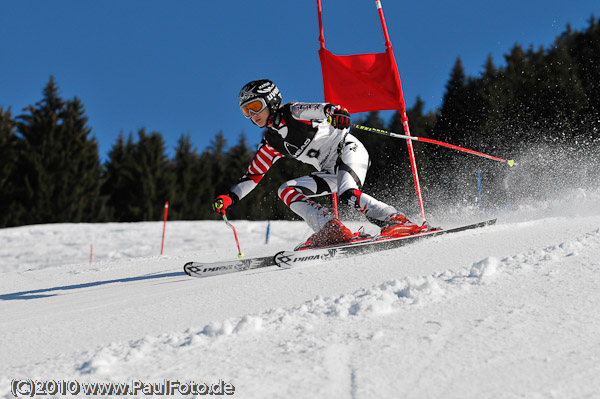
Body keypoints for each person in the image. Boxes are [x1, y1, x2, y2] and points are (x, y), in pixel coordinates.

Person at [212, 79, 426, 247]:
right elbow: (253, 176)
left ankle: (396, 220)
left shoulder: (294, 112)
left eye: (256, 106)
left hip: (348, 150)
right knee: (286, 190)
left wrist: (336, 113)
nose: (253, 115)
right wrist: (230, 197)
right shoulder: (271, 143)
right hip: (329, 170)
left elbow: (325, 109)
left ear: (271, 100)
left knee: (347, 192)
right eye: (246, 111)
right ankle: (331, 229)